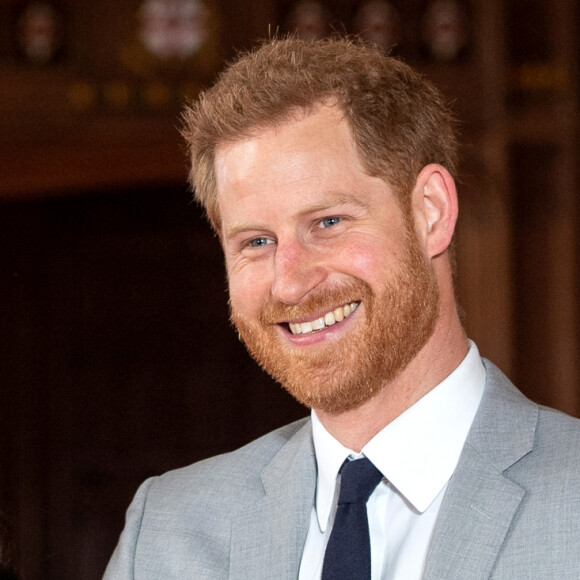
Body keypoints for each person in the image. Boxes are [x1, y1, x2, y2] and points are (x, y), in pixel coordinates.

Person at [104, 36, 580, 579]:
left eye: (328, 223)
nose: (289, 284)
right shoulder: (167, 533)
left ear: (431, 211)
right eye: (256, 242)